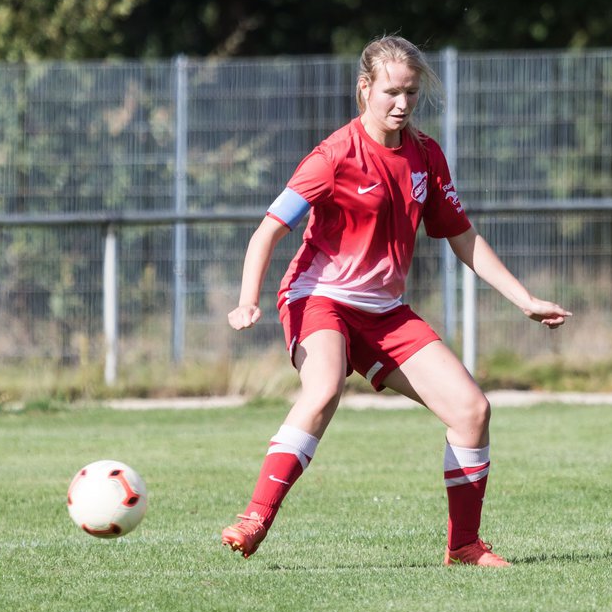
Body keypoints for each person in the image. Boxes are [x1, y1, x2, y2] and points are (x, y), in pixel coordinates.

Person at [221, 35, 571, 566]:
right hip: (319, 299)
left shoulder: (426, 156)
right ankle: (255, 518)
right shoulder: (333, 155)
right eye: (391, 92)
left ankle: (465, 546)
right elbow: (267, 231)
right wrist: (248, 300)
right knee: (323, 389)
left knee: (472, 411)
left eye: (410, 92)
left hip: (385, 312)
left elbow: (462, 236)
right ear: (365, 89)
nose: (402, 104)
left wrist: (524, 299)